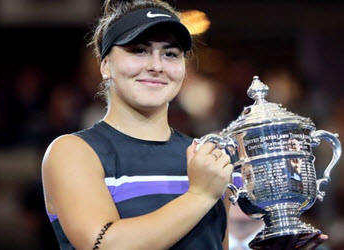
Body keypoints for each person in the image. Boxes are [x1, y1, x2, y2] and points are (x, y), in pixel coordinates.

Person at [41, 0, 327, 249]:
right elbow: (104, 244)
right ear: (105, 65)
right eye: (138, 50)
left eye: (170, 53)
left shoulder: (207, 157)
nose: (156, 65)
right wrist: (200, 194)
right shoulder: (74, 152)